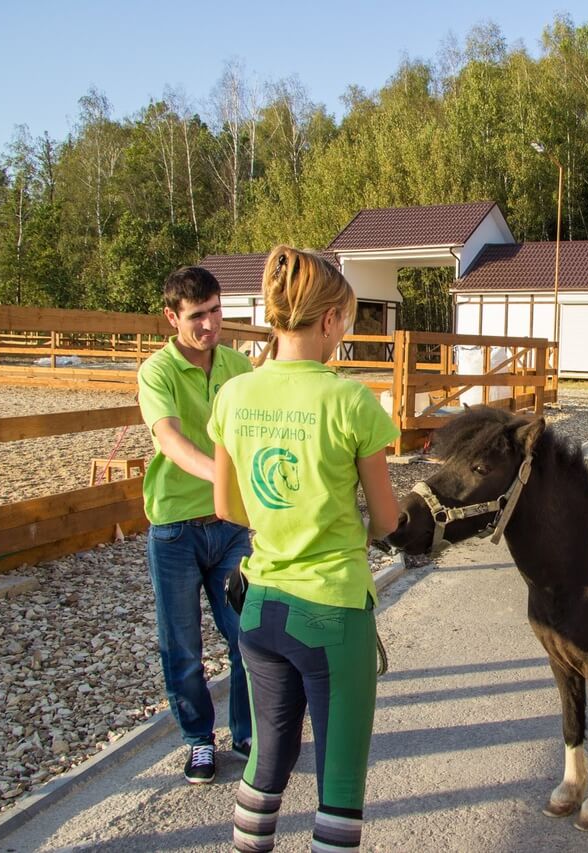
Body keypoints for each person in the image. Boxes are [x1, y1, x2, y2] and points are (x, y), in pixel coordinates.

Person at [209, 246, 400, 853]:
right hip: (332, 609)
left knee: (268, 758)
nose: (344, 332)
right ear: (327, 321)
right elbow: (387, 519)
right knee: (339, 784)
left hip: (261, 604)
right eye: (345, 319)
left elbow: (227, 508)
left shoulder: (234, 395)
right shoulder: (351, 401)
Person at [137, 266, 254, 784]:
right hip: (176, 530)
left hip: (230, 524)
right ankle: (197, 741)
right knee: (180, 644)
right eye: (196, 317)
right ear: (172, 317)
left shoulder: (237, 364)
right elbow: (170, 440)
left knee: (247, 631)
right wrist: (223, 476)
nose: (209, 326)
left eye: (215, 312)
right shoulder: (156, 372)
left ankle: (249, 732)